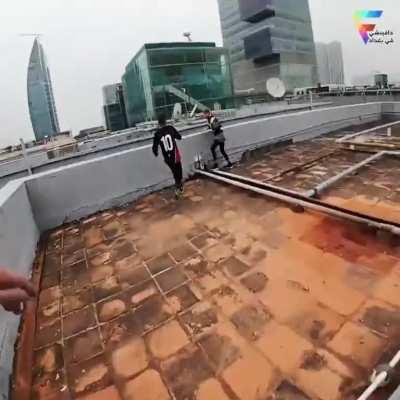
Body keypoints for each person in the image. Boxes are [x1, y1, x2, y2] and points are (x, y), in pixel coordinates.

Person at [152, 114, 184, 198]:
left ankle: (179, 187)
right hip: (175, 155)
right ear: (165, 122)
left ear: (158, 123)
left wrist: (156, 153)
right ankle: (179, 188)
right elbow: (179, 137)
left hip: (167, 158)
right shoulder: (170, 128)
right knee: (179, 172)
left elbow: (154, 148)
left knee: (175, 172)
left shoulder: (157, 133)